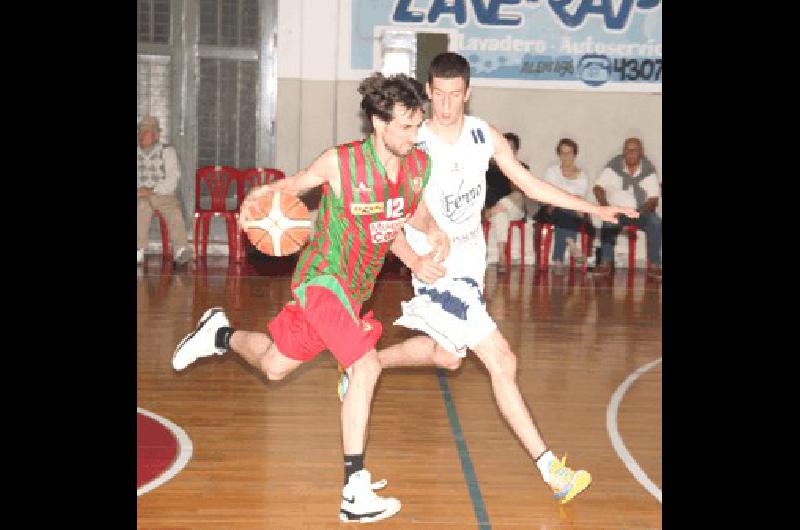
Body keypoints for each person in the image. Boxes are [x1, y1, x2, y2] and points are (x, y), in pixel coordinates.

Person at [340, 52, 639, 506]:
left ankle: (369, 363)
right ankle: (551, 469)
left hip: (470, 263)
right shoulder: (414, 140)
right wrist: (421, 242)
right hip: (436, 266)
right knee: (503, 360)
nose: (444, 106)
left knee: (448, 357)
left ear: (468, 92)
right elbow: (397, 199)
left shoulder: (483, 135)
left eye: (454, 96)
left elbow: (530, 185)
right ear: (428, 90)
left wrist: (594, 209)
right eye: (437, 95)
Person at [171, 73, 450, 523]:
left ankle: (218, 334)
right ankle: (353, 488)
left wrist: (429, 242)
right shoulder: (341, 163)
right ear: (378, 123)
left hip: (355, 293)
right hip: (323, 279)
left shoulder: (418, 165)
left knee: (276, 366)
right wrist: (258, 199)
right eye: (405, 126)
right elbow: (290, 187)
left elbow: (404, 215)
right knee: (366, 364)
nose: (413, 135)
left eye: (417, 126)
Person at [592, 137, 662, 277]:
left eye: (633, 150)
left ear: (641, 152)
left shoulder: (648, 170)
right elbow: (598, 188)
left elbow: (653, 200)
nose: (629, 153)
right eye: (627, 149)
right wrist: (606, 207)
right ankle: (605, 263)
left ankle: (654, 264)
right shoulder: (614, 166)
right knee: (608, 219)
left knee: (655, 222)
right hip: (617, 211)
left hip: (640, 212)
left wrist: (636, 212)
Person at [137, 115, 192, 265]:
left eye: (146, 131)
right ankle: (138, 250)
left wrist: (151, 190)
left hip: (161, 193)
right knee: (141, 206)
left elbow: (173, 179)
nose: (141, 135)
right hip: (139, 195)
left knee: (174, 210)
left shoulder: (167, 151)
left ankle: (180, 250)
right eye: (140, 131)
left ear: (156, 134)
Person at [535, 138, 592, 269]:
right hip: (551, 209)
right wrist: (563, 199)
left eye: (569, 153)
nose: (566, 156)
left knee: (568, 211)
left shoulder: (582, 176)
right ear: (559, 155)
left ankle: (558, 259)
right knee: (563, 209)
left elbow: (579, 197)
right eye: (562, 153)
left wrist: (564, 198)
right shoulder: (552, 171)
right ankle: (571, 244)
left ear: (575, 154)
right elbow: (549, 193)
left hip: (572, 209)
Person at [484, 132, 529, 272]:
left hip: (515, 208)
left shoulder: (521, 167)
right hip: (497, 210)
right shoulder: (487, 167)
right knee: (500, 214)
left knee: (517, 196)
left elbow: (523, 190)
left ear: (515, 150)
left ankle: (493, 210)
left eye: (511, 148)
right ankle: (502, 255)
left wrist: (511, 169)